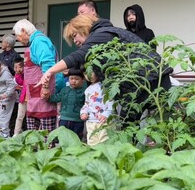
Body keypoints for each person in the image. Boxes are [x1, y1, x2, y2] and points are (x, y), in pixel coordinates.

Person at [37, 14, 172, 123]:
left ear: (82, 28)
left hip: (150, 80)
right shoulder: (104, 34)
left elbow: (79, 55)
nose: (75, 42)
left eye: (74, 36)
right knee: (131, 124)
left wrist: (50, 70)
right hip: (138, 84)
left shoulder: (102, 34)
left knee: (164, 120)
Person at [12, 19, 63, 133]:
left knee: (46, 137)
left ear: (24, 31)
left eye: (17, 36)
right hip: (33, 95)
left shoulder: (39, 41)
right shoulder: (33, 42)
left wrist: (45, 87)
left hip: (43, 93)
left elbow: (48, 65)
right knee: (33, 136)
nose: (17, 40)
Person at [47, 68, 86, 139]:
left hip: (77, 121)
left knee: (76, 139)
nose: (73, 81)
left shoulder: (85, 92)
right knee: (63, 139)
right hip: (64, 119)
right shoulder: (65, 89)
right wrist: (47, 97)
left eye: (76, 79)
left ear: (82, 80)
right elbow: (57, 98)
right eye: (71, 78)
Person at [80, 71, 113, 146]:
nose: (88, 75)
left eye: (91, 72)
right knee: (92, 142)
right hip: (91, 120)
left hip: (103, 120)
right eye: (85, 73)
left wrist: (107, 113)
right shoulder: (87, 90)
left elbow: (111, 102)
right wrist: (83, 112)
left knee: (104, 141)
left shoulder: (105, 87)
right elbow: (86, 104)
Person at [13, 56, 27, 137]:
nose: (18, 69)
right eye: (15, 67)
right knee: (19, 116)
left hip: (31, 98)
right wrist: (17, 74)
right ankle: (16, 133)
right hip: (23, 98)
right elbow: (20, 82)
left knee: (30, 117)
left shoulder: (29, 73)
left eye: (20, 67)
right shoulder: (19, 75)